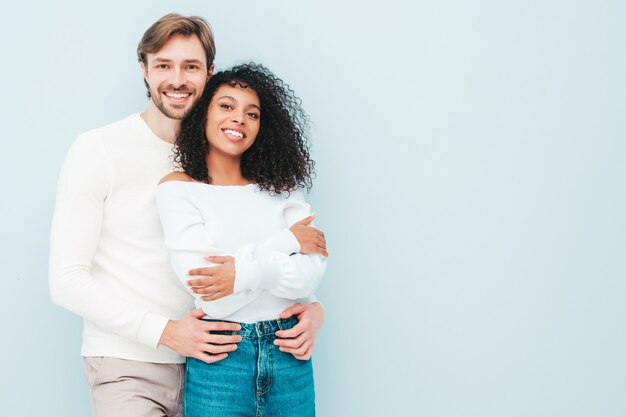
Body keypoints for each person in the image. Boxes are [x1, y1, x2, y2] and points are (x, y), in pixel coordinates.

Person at [49, 14, 326, 417]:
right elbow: (66, 280)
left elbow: (253, 237)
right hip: (132, 365)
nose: (177, 79)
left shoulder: (233, 158)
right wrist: (167, 333)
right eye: (163, 65)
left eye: (191, 67)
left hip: (221, 361)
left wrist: (312, 306)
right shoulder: (98, 150)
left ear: (209, 74)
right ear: (143, 69)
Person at [156, 63, 324, 417]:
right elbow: (211, 296)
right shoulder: (178, 189)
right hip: (222, 359)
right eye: (226, 106)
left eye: (252, 113)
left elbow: (310, 276)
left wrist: (242, 273)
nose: (239, 119)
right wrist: (286, 243)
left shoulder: (284, 188)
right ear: (204, 113)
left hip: (290, 354)